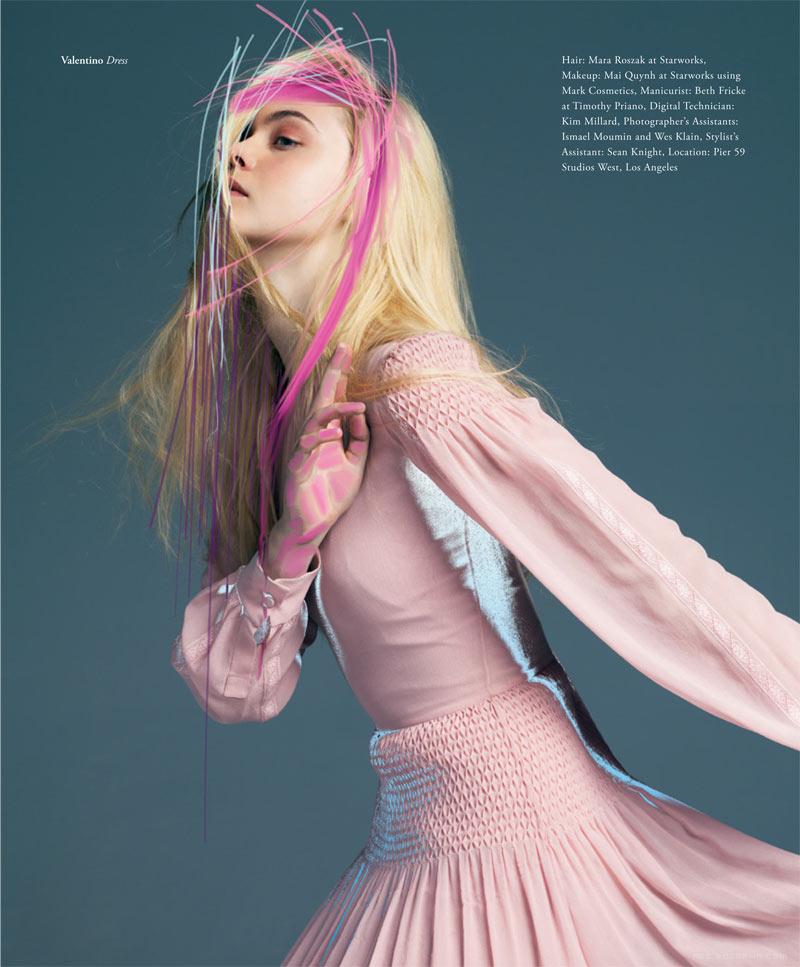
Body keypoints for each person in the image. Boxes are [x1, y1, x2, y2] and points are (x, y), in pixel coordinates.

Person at [154, 11, 800, 966]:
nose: (238, 153)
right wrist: (291, 541)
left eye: (284, 137)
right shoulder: (296, 428)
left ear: (363, 189)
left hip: (523, 841)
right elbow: (234, 689)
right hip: (414, 838)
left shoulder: (416, 384)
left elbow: (652, 566)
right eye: (238, 135)